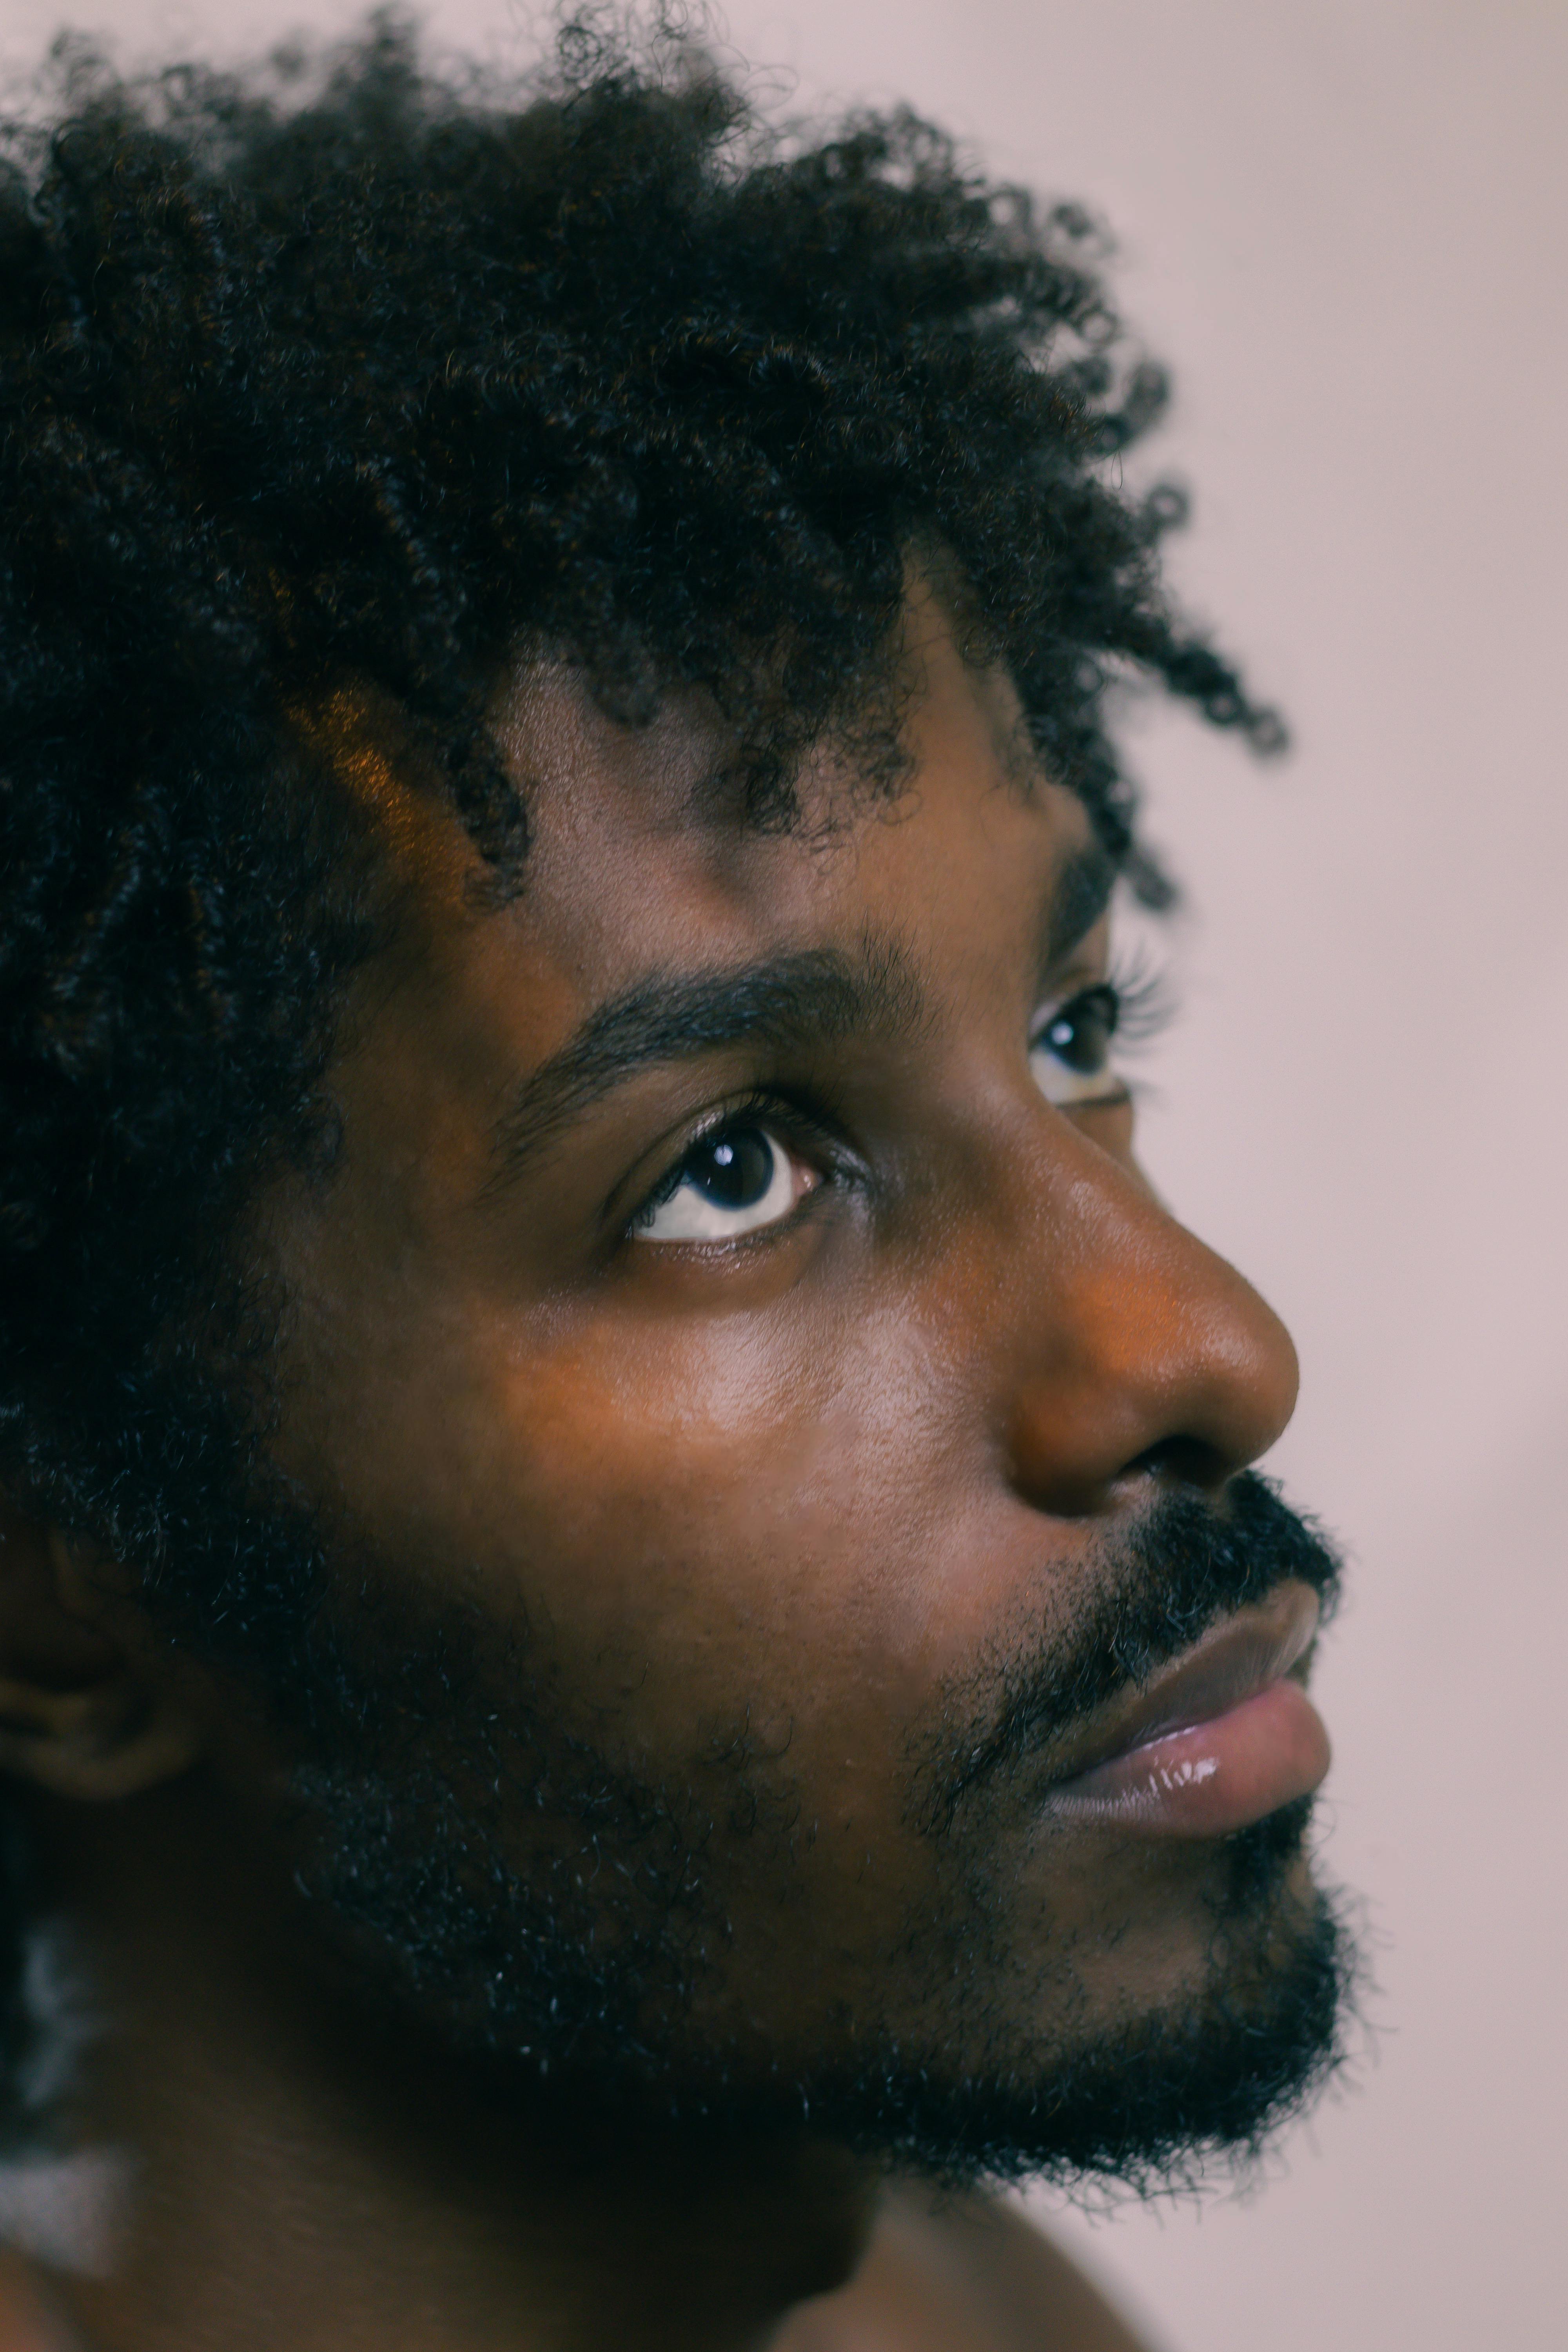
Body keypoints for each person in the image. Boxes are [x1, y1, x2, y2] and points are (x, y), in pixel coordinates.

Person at [0, 14, 1357, 2347]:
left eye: (1074, 1033)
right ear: (62, 1588)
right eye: (729, 1167)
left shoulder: (993, 2321)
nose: (1201, 1346)